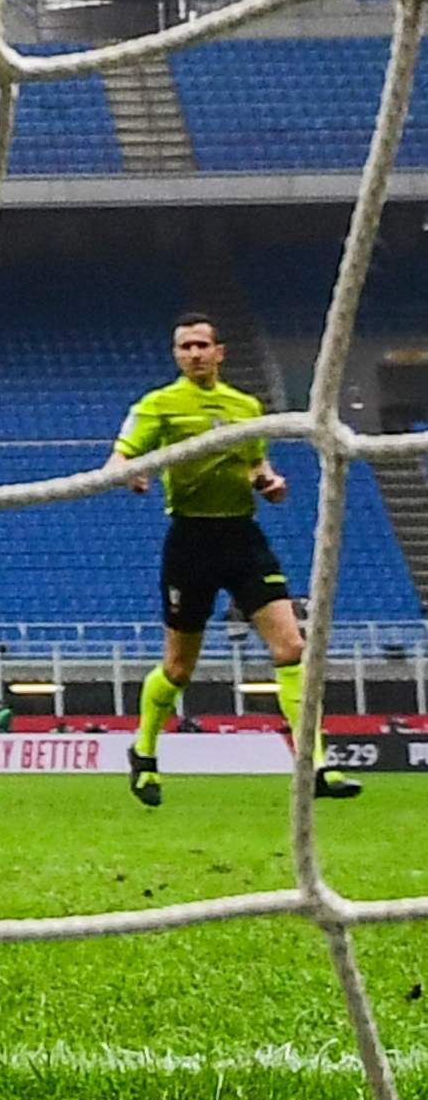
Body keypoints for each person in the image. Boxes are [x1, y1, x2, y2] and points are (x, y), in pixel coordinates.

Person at [111, 312, 360, 804]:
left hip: (242, 538)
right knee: (179, 669)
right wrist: (128, 472)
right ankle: (144, 752)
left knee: (292, 648)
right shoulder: (159, 405)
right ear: (176, 354)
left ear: (219, 352)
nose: (194, 354)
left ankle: (316, 763)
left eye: (202, 345)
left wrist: (268, 481)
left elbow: (255, 461)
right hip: (190, 543)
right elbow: (122, 454)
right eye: (185, 347)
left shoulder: (245, 406)